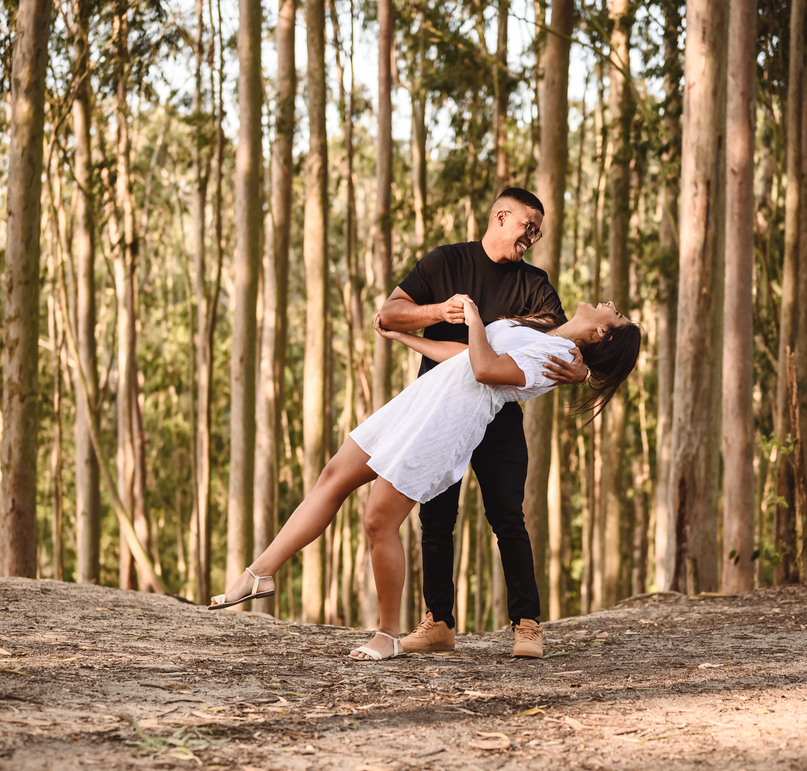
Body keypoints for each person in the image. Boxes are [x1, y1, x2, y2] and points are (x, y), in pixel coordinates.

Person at [209, 297, 641, 662]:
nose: (610, 305)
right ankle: (260, 572)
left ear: (602, 335)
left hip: (444, 423)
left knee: (379, 519)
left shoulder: (562, 359)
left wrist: (473, 319)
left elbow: (485, 370)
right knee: (334, 475)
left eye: (616, 315)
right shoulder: (544, 334)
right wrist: (407, 339)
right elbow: (463, 360)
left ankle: (388, 632)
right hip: (421, 399)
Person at [378, 188, 585, 659]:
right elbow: (389, 314)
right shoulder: (444, 262)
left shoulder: (535, 284)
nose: (531, 237)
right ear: (499, 215)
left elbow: (565, 343)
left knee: (508, 516)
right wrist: (438, 311)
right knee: (435, 517)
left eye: (537, 231)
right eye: (526, 226)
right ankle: (438, 624)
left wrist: (583, 371)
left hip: (497, 411)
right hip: (438, 409)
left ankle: (527, 625)